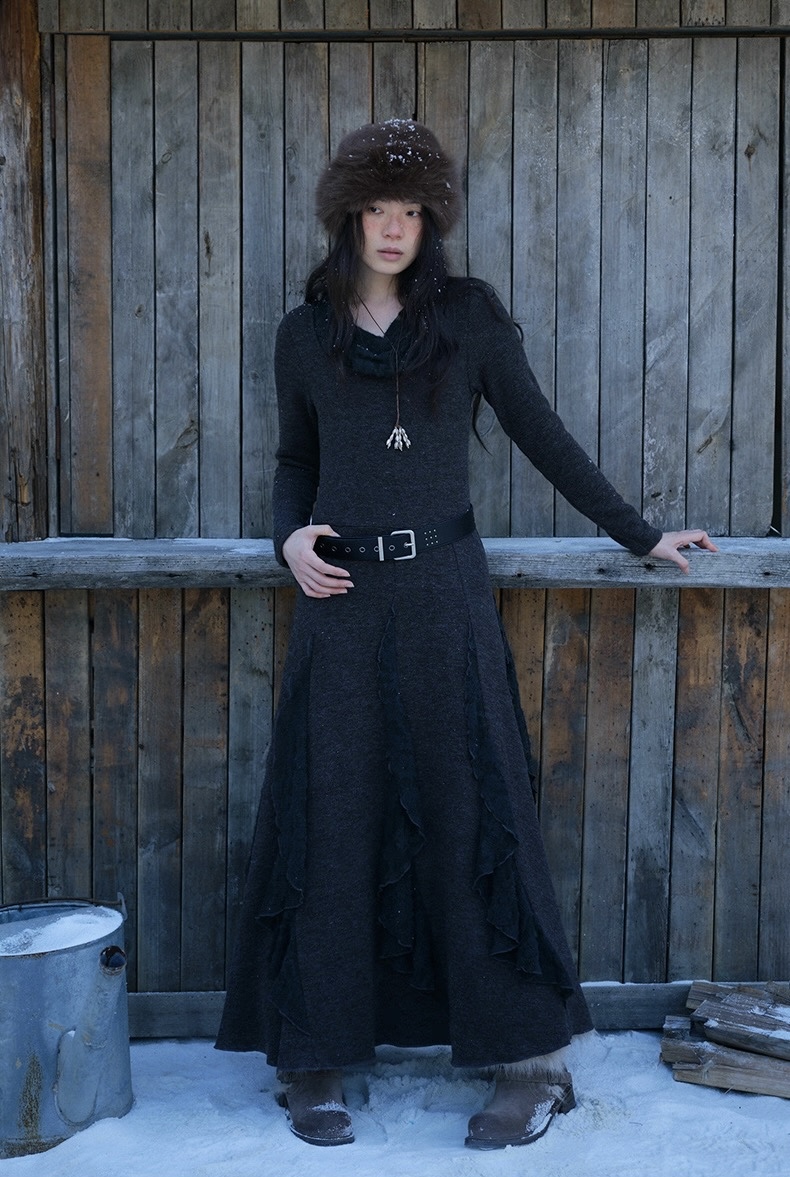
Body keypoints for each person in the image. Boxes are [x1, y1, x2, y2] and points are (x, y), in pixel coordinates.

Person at [215, 118, 716, 1150]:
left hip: (445, 595)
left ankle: (529, 1063)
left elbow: (545, 437)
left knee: (473, 810)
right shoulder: (304, 333)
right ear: (348, 216)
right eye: (376, 209)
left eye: (410, 211)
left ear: (430, 220)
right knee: (330, 813)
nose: (392, 228)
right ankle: (313, 1056)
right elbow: (294, 461)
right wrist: (286, 539)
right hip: (340, 603)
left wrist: (640, 533)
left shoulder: (471, 319)